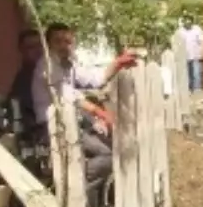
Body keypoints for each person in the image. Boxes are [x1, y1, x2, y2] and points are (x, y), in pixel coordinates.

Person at [31, 23, 135, 195]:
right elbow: (68, 95)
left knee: (110, 147)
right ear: (48, 44)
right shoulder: (46, 67)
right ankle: (70, 188)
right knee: (108, 156)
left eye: (67, 41)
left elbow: (95, 79)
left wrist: (118, 63)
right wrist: (99, 112)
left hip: (71, 123)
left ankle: (74, 190)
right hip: (50, 128)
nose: (64, 46)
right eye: (58, 41)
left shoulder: (69, 64)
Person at [7, 28, 42, 137]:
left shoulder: (49, 74)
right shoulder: (23, 82)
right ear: (22, 50)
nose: (38, 50)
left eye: (40, 45)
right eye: (31, 47)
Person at [181, 17, 203, 93]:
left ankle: (197, 89)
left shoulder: (197, 29)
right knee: (187, 74)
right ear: (184, 23)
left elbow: (202, 41)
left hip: (196, 55)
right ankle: (188, 89)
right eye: (186, 23)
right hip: (185, 56)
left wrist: (201, 52)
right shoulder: (181, 31)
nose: (188, 24)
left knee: (196, 72)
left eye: (189, 23)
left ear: (192, 22)